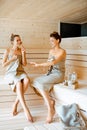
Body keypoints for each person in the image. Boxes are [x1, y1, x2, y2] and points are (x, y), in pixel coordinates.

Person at [30, 31, 66, 123]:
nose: (51, 43)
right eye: (50, 41)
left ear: (58, 40)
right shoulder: (51, 51)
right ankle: (50, 101)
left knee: (40, 83)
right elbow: (49, 63)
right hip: (50, 73)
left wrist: (38, 65)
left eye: (52, 41)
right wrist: (45, 73)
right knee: (34, 81)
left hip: (59, 74)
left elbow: (53, 62)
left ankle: (50, 109)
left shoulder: (62, 52)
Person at [2, 34, 33, 122]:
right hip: (11, 73)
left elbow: (24, 64)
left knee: (27, 80)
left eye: (20, 40)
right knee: (19, 82)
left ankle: (15, 104)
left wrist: (23, 53)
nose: (19, 41)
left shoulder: (21, 50)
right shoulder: (8, 50)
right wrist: (12, 59)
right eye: (17, 40)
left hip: (20, 72)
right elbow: (3, 65)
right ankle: (26, 109)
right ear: (12, 42)